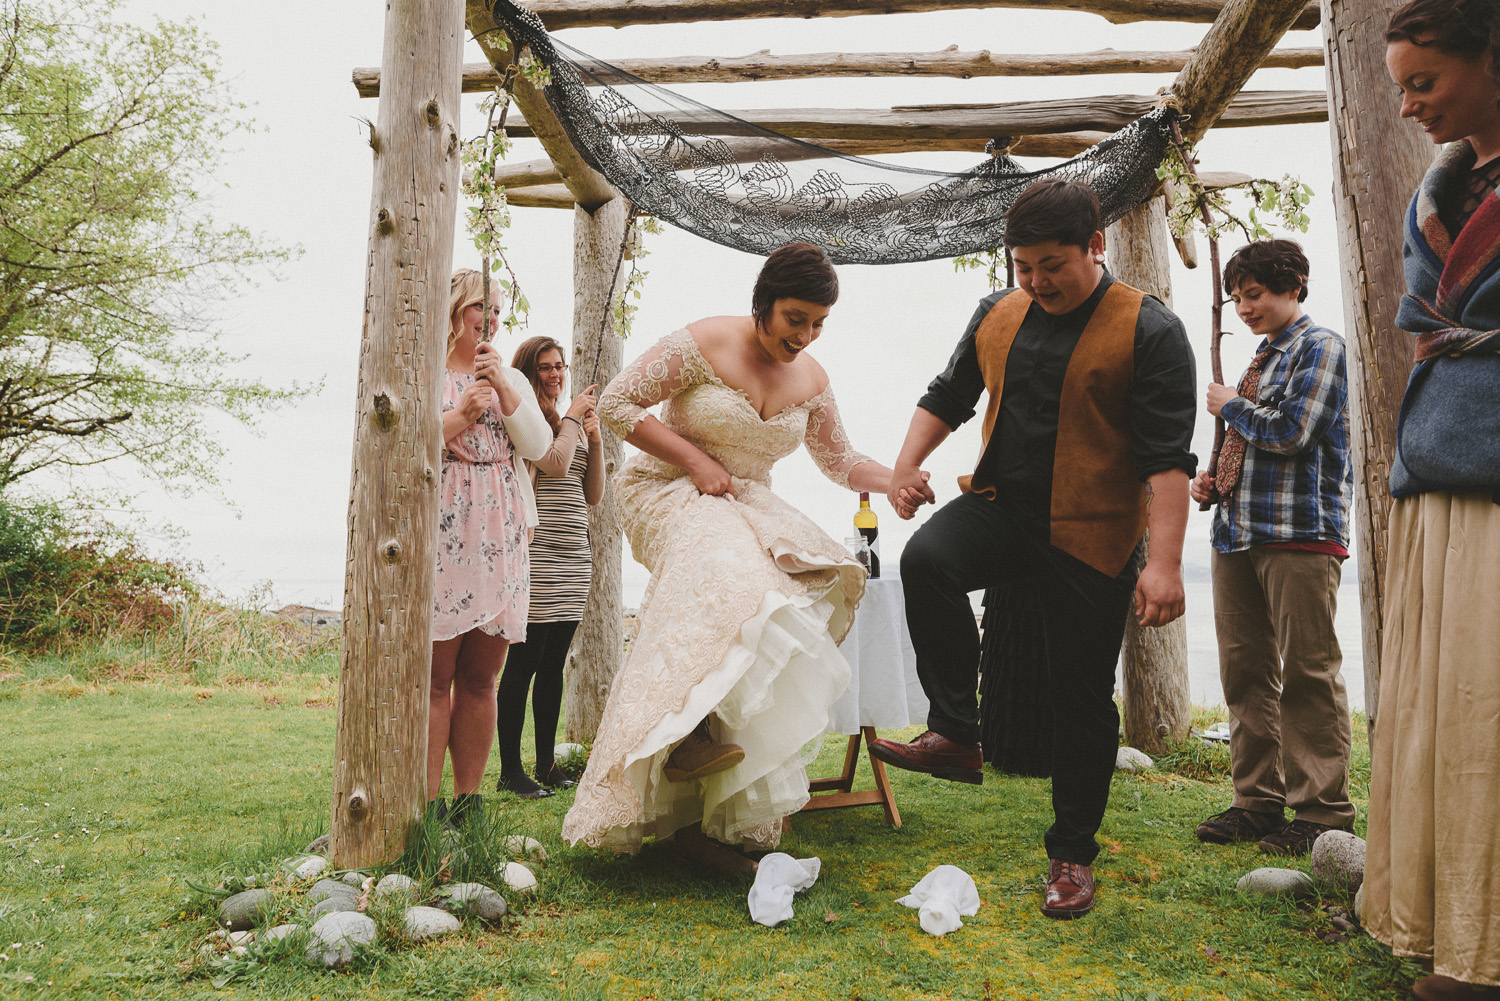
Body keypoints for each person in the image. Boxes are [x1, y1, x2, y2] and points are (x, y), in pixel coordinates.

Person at [868, 179, 1197, 920]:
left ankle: (1072, 855)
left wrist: (1166, 562)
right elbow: (948, 394)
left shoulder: (1150, 329)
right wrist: (903, 467)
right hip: (1003, 510)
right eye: (1024, 266)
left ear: (1096, 246)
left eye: (1053, 264)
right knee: (927, 560)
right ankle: (955, 729)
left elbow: (1167, 460)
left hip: (1093, 531)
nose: (1038, 281)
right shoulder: (998, 311)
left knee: (1079, 696)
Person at [561, 242, 896, 873]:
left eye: (819, 323)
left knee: (797, 588)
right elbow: (616, 404)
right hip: (665, 487)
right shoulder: (704, 342)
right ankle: (685, 737)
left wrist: (897, 478)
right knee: (728, 568)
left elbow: (841, 462)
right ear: (764, 304)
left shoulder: (813, 379)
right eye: (796, 318)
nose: (805, 335)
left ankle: (709, 817)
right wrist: (695, 460)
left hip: (743, 504)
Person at [1367, 3, 1500, 997]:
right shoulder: (1439, 189)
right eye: (1399, 85)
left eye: (1425, 81)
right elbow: (1428, 324)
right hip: (1439, 468)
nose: (1409, 104)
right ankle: (1459, 929)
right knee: (1452, 717)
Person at [1188, 240, 1356, 856]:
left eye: (1254, 294)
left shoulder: (1322, 347)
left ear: (1295, 286)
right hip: (1236, 531)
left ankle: (1322, 812)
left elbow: (1292, 431)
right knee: (1244, 671)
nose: (1244, 307)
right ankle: (1256, 801)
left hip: (1298, 535)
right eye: (1236, 297)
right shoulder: (1261, 356)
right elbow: (1253, 442)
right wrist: (1215, 481)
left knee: (1308, 670)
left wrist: (1231, 405)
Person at [429, 269, 551, 826]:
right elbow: (406, 441)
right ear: (456, 309)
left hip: (501, 527)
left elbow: (541, 447)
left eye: (499, 310)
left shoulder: (510, 380)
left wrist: (502, 390)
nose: (493, 319)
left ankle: (468, 799)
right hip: (445, 525)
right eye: (483, 307)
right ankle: (424, 802)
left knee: (481, 675)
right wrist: (462, 414)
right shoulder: (426, 371)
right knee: (435, 674)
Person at [493, 336, 603, 800]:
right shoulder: (530, 420)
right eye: (545, 367)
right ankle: (510, 770)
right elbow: (553, 466)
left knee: (554, 663)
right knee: (525, 660)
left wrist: (593, 439)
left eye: (560, 365)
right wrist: (576, 419)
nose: (555, 374)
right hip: (537, 555)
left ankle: (547, 764)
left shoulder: (569, 423)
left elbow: (592, 492)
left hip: (573, 554)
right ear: (528, 370)